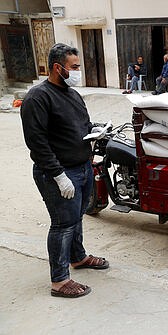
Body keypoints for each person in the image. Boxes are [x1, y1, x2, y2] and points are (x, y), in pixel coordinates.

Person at [20, 43, 109, 298]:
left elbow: (82, 125)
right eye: (75, 67)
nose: (79, 72)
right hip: (58, 173)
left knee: (76, 218)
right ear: (58, 68)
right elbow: (37, 143)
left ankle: (78, 258)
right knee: (62, 224)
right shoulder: (38, 97)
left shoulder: (73, 94)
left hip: (82, 167)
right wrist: (59, 176)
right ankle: (59, 281)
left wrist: (98, 130)